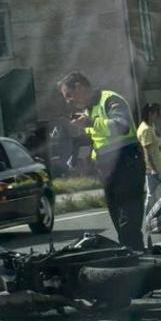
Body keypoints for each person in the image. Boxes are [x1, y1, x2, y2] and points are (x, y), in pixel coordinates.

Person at [59, 71, 145, 249]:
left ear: (80, 87)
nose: (68, 101)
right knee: (119, 224)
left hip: (127, 164)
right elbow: (98, 143)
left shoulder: (110, 100)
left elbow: (122, 125)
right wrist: (85, 161)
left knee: (128, 223)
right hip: (108, 170)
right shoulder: (87, 110)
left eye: (69, 95)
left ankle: (138, 264)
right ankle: (133, 260)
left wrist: (91, 123)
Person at [137, 103, 161, 214]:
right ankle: (148, 215)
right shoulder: (145, 129)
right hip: (153, 168)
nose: (158, 116)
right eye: (156, 113)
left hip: (160, 164)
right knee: (152, 194)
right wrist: (153, 168)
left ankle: (159, 214)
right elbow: (147, 151)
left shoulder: (151, 126)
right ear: (150, 113)